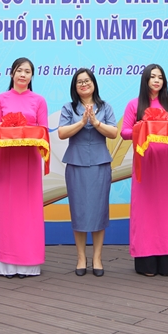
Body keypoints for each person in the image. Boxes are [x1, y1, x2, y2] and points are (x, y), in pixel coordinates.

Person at [120, 64, 168, 276]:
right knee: (145, 210)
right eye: (153, 76)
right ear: (145, 79)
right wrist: (142, 128)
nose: (157, 80)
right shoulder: (134, 104)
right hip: (144, 162)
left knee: (167, 209)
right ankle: (146, 262)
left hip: (166, 162)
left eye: (160, 77)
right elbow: (124, 132)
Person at [0, 57, 49, 278]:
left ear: (32, 76)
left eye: (27, 71)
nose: (23, 75)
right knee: (7, 209)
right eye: (19, 70)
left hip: (29, 160)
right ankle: (6, 263)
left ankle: (27, 263)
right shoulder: (0, 99)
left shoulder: (39, 100)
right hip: (8, 160)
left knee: (28, 211)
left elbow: (43, 130)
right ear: (12, 73)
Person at [57, 69, 118, 277]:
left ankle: (97, 258)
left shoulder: (105, 107)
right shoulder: (69, 108)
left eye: (87, 80)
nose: (84, 84)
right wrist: (82, 122)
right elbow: (62, 132)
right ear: (75, 87)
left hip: (100, 164)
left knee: (99, 210)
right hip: (76, 164)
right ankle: (81, 257)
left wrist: (96, 122)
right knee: (79, 211)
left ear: (94, 83)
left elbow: (114, 132)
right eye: (79, 82)